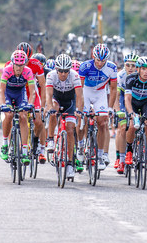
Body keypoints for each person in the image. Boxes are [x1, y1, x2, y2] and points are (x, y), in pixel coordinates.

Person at [78, 43, 118, 171]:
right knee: (82, 120)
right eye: (97, 60)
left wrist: (110, 108)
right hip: (86, 92)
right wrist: (80, 107)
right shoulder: (85, 66)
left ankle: (100, 156)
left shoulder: (112, 68)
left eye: (103, 60)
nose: (100, 63)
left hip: (100, 94)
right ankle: (80, 147)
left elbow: (113, 89)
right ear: (93, 57)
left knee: (102, 123)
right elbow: (79, 88)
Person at [44, 54, 83, 181]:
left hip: (70, 102)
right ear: (56, 69)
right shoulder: (51, 75)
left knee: (70, 130)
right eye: (60, 71)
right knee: (53, 110)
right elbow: (48, 95)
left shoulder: (75, 76)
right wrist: (50, 108)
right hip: (56, 99)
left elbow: (79, 96)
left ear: (69, 70)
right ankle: (51, 139)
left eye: (66, 71)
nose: (63, 74)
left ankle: (70, 164)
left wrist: (79, 110)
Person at [122, 56, 147, 171]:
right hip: (133, 102)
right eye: (144, 69)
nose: (146, 72)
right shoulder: (131, 78)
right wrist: (131, 113)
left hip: (146, 102)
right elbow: (127, 99)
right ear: (138, 69)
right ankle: (129, 151)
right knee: (132, 126)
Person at [0, 50, 36, 164]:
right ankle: (5, 144)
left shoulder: (28, 71)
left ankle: (24, 151)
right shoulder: (7, 70)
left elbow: (32, 92)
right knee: (8, 115)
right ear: (12, 63)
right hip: (8, 94)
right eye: (16, 65)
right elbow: (1, 91)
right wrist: (3, 105)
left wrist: (30, 104)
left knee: (23, 116)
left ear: (25, 64)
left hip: (20, 93)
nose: (19, 68)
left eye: (21, 65)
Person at [16, 43, 47, 161]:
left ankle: (35, 138)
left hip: (32, 93)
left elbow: (43, 85)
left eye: (27, 60)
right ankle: (12, 145)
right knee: (15, 117)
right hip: (18, 93)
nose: (24, 63)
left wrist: (42, 106)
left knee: (39, 121)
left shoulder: (36, 64)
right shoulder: (10, 64)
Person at [114, 53, 138, 173]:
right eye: (128, 65)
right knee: (122, 128)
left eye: (133, 65)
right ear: (124, 65)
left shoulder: (140, 75)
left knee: (136, 126)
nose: (130, 68)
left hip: (136, 99)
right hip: (123, 98)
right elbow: (116, 95)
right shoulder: (121, 75)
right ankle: (120, 159)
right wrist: (118, 110)